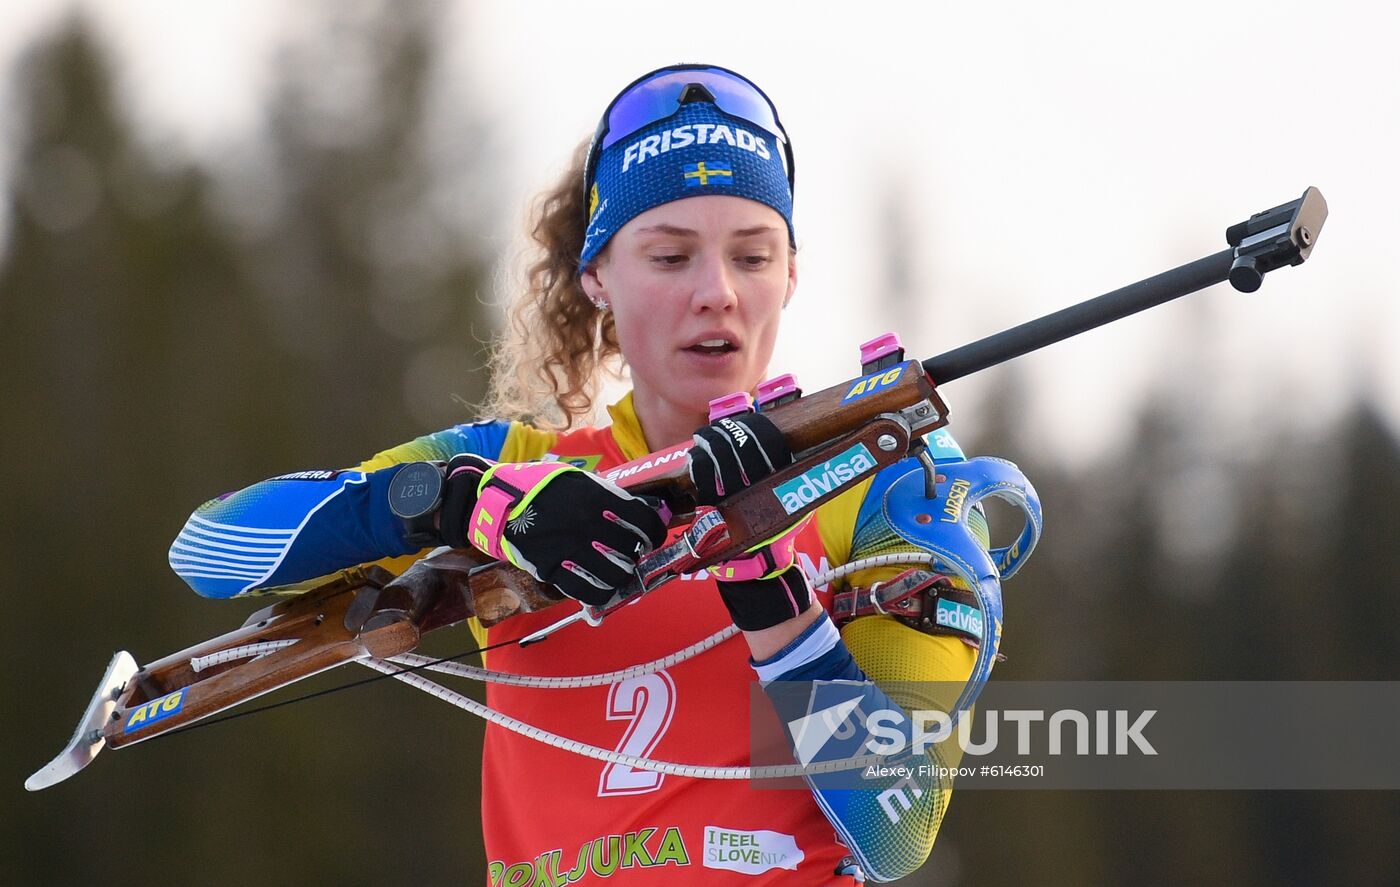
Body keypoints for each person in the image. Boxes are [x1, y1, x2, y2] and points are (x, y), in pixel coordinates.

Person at [168, 64, 1039, 884]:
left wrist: (765, 581)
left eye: (752, 254)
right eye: (669, 257)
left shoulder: (883, 478)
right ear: (596, 277)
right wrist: (461, 503)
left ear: (791, 275)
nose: (718, 292)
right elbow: (209, 548)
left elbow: (897, 826)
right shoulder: (526, 470)